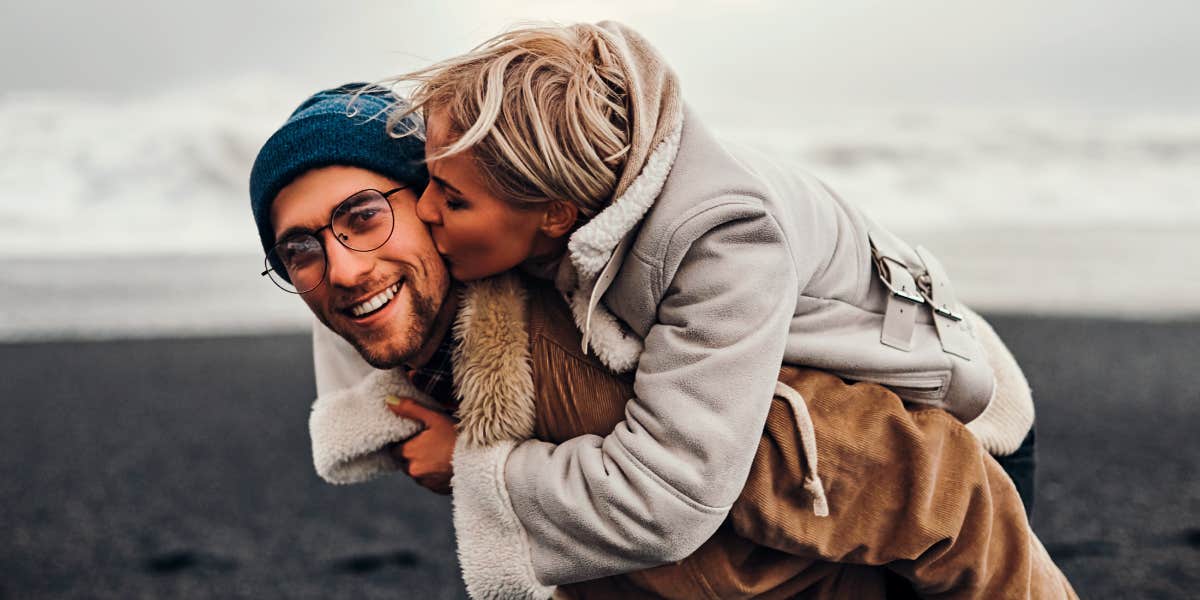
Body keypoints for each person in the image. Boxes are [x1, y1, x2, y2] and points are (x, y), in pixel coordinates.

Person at [248, 84, 1073, 598]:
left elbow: (942, 489)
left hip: (961, 433)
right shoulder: (431, 353)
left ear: (442, 199)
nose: (344, 270)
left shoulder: (602, 343)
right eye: (300, 251)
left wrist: (477, 470)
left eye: (364, 216)